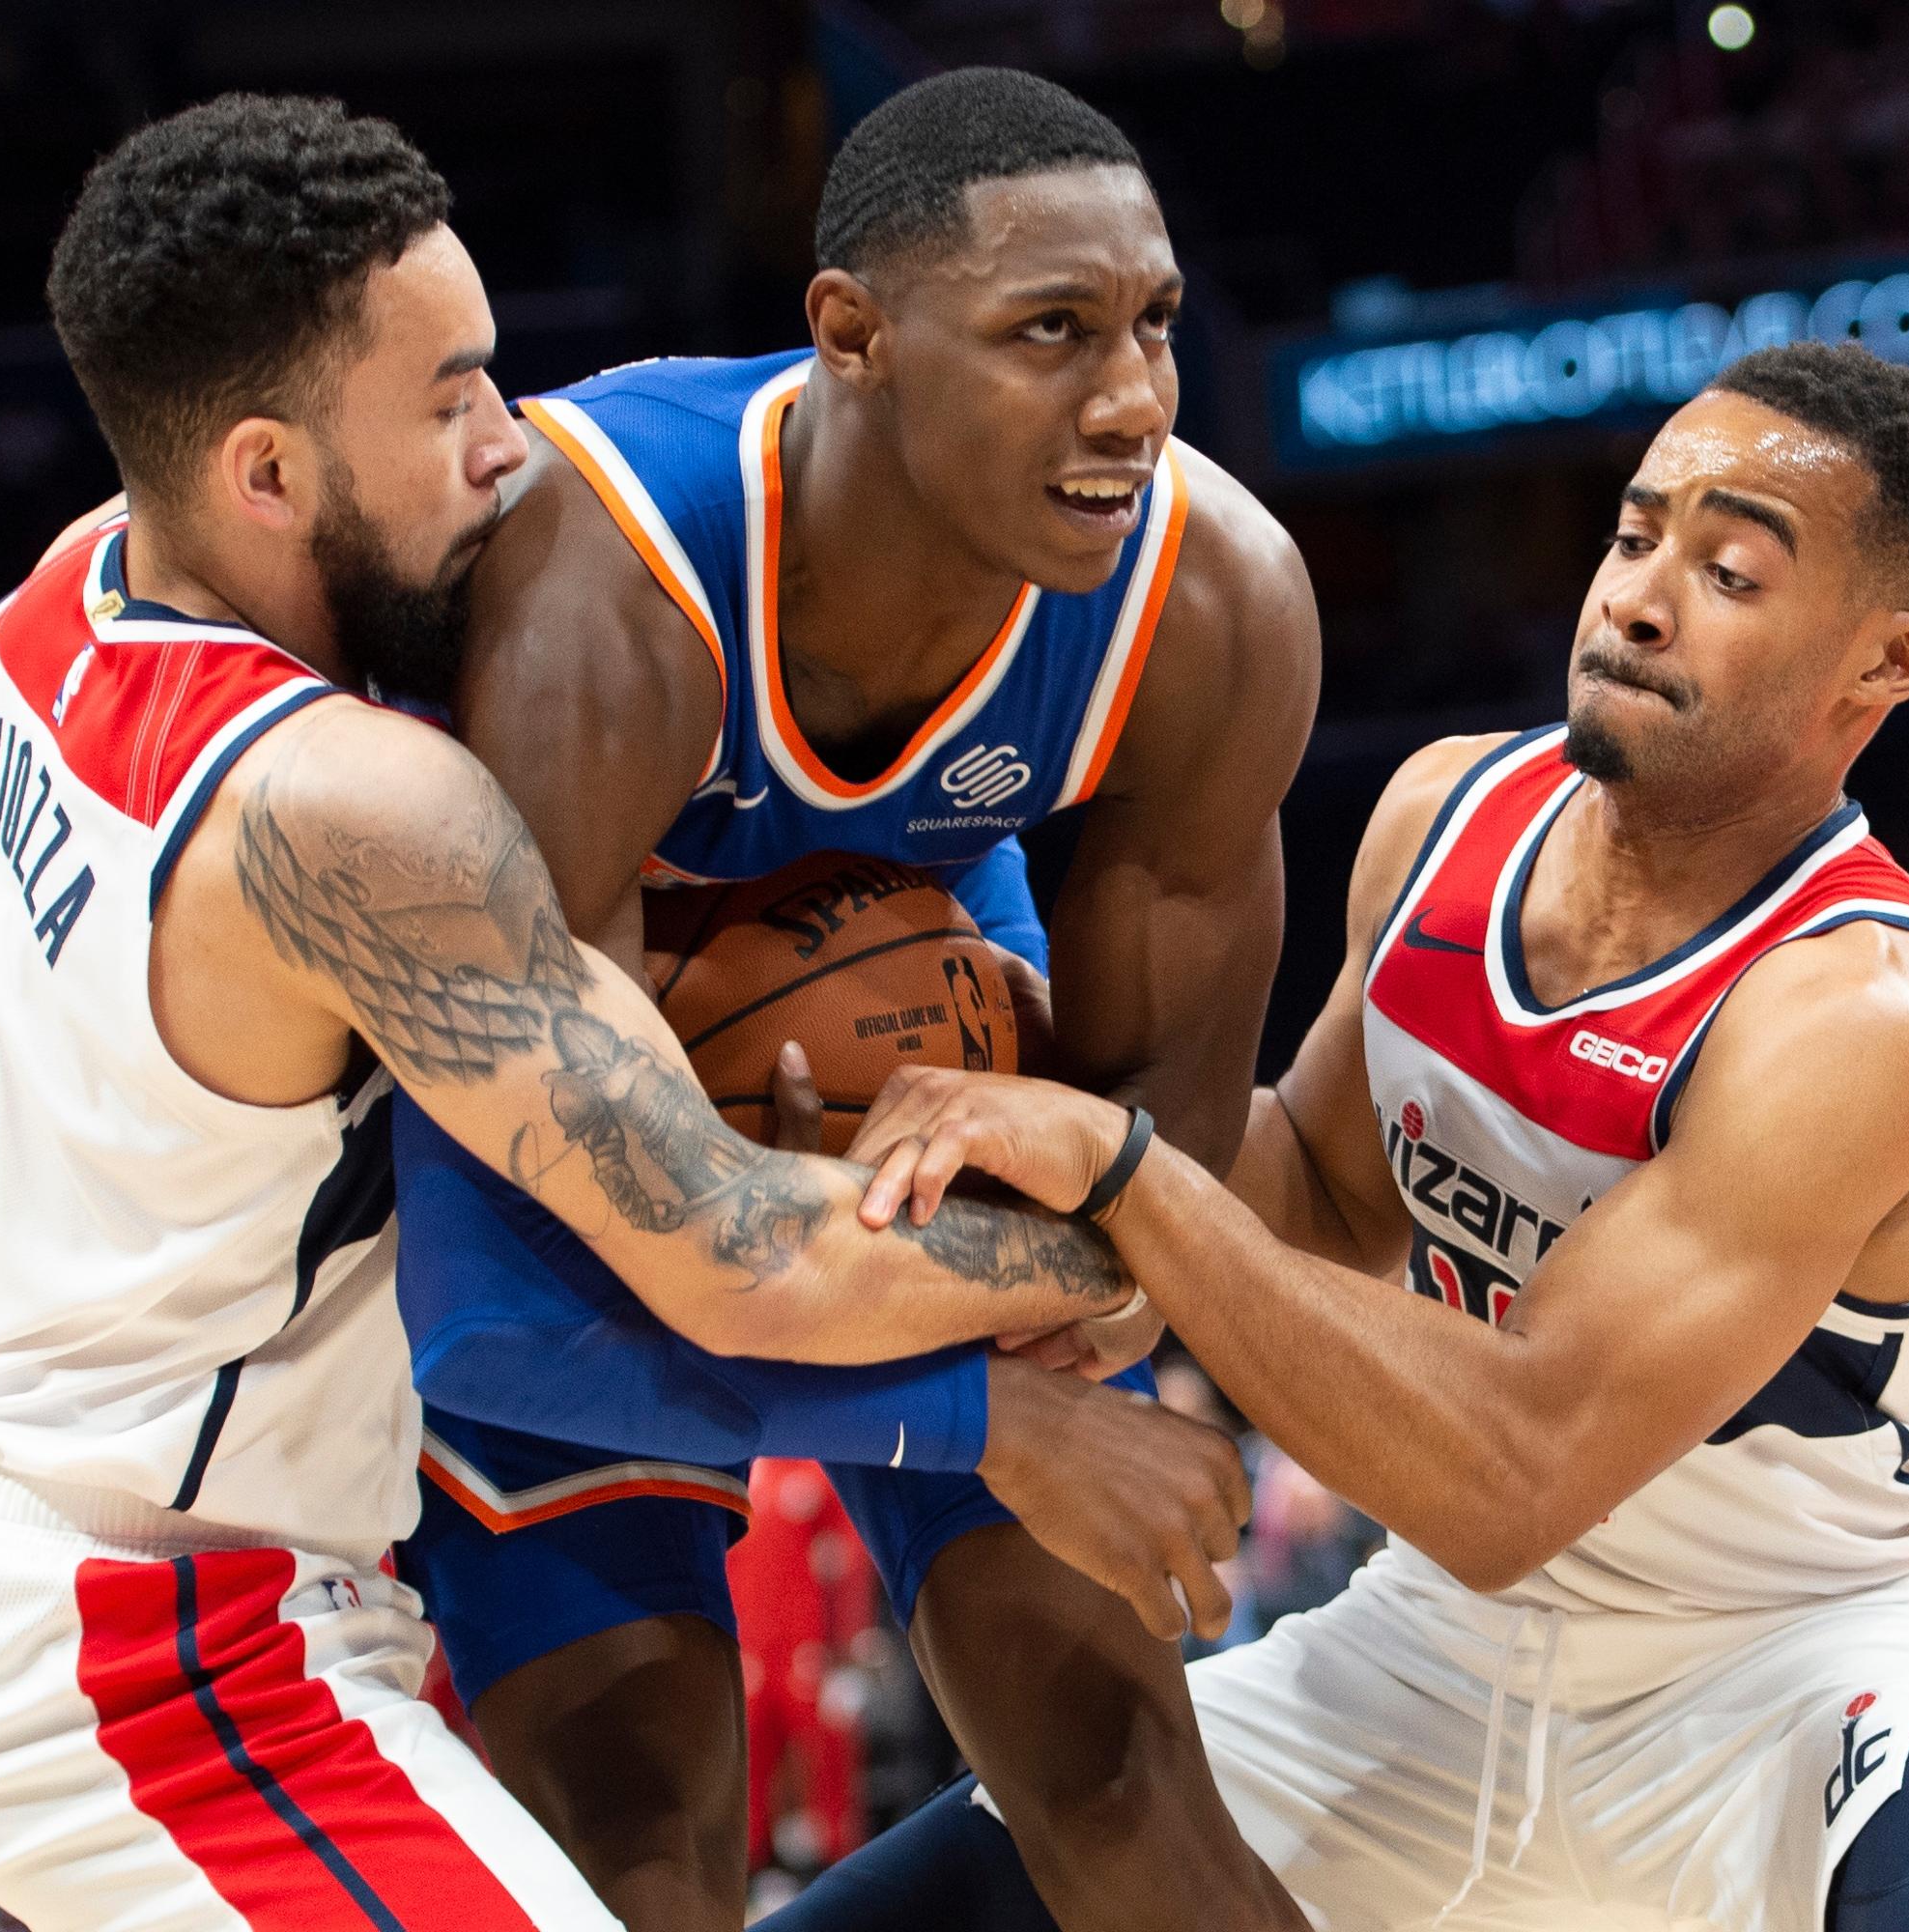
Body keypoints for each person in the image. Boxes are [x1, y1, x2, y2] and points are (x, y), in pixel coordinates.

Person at [0, 94, 1157, 1932]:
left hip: (71, 1560)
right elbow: (726, 1252)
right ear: (265, 475)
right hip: (152, 1637)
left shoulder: (46, 617)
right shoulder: (348, 808)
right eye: (448, 399)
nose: (511, 445)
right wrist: (1137, 1243)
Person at [796, 343, 1909, 1930]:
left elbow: (1513, 1474)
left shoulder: (1863, 1011)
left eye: (1728, 571)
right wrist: (991, 1155)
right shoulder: (1445, 819)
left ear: (1888, 664)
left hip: (1793, 1670)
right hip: (1431, 1655)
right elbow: (1307, 1200)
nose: (1638, 599)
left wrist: (1122, 1167)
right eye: (1636, 535)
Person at [391, 67, 1315, 1932]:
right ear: (853, 336)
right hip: (571, 1133)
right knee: (645, 1851)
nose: (1133, 402)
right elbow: (495, 1309)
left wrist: (1029, 1299)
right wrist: (972, 1408)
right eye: (1050, 333)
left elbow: (1162, 1180)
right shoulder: (604, 591)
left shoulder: (1209, 605)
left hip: (912, 1070)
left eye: (1151, 328)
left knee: (1124, 1774)